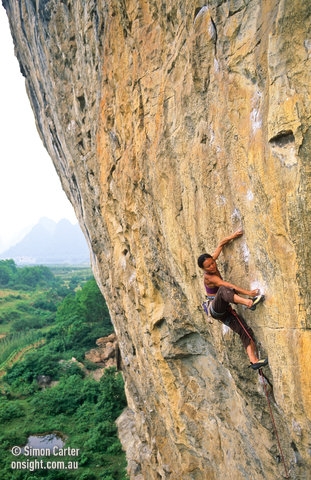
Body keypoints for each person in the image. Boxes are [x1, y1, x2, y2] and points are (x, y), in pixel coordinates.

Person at [198, 229, 268, 370]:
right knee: (224, 290)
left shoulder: (212, 261)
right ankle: (249, 303)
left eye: (212, 262)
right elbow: (228, 286)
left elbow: (220, 244)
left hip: (224, 311)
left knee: (245, 331)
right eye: (209, 266)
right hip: (215, 308)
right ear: (204, 269)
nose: (213, 266)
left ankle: (254, 361)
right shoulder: (209, 277)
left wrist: (233, 236)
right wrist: (249, 293)